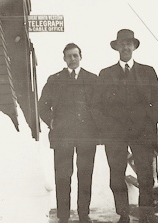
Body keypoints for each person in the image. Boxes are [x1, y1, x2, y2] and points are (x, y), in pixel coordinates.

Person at [92, 29, 158, 223]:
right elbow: (96, 106)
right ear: (117, 47)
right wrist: (108, 128)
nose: (125, 47)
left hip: (143, 135)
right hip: (115, 136)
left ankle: (145, 215)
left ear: (134, 46)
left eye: (129, 43)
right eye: (122, 43)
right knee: (117, 176)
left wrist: (148, 124)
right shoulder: (106, 74)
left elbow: (157, 101)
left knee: (146, 177)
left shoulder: (148, 71)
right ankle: (123, 215)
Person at [38, 43, 99, 223]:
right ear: (64, 58)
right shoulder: (54, 79)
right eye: (69, 56)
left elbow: (101, 106)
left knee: (85, 174)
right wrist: (52, 121)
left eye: (75, 56)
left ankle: (84, 214)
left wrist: (96, 127)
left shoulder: (93, 79)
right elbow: (42, 106)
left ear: (81, 57)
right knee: (63, 176)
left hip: (87, 136)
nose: (72, 59)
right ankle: (63, 216)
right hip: (62, 136)